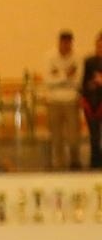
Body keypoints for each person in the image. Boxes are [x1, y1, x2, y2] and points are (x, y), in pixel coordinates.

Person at [45, 31, 81, 171]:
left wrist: (57, 74)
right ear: (59, 42)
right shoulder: (49, 57)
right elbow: (48, 82)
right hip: (54, 100)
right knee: (56, 137)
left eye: (68, 43)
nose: (66, 46)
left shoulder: (77, 58)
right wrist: (66, 75)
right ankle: (59, 166)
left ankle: (75, 162)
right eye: (63, 43)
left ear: (71, 43)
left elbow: (77, 82)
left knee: (73, 137)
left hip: (71, 100)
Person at [84, 32, 102, 169]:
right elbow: (83, 82)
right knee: (94, 135)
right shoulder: (89, 62)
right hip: (92, 103)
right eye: (98, 46)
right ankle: (95, 162)